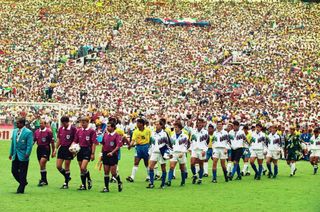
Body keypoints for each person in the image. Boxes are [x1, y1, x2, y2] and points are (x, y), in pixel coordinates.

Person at [9, 117, 34, 194]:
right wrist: (11, 153)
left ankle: (21, 189)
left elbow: (29, 145)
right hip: (15, 154)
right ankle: (23, 182)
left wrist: (27, 153)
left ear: (22, 124)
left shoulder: (28, 132)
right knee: (14, 171)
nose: (17, 124)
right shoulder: (14, 131)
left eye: (18, 123)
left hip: (23, 155)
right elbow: (13, 143)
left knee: (23, 172)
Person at [73, 117, 98, 190]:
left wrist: (93, 153)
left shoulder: (92, 131)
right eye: (81, 122)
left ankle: (89, 179)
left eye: (84, 122)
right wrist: (72, 148)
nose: (82, 124)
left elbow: (94, 143)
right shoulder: (78, 131)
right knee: (81, 169)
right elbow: (75, 141)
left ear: (88, 122)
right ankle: (83, 185)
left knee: (83, 167)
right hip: (80, 150)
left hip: (87, 150)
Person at [52, 116, 77, 189]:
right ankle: (67, 177)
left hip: (69, 149)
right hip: (62, 148)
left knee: (67, 166)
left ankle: (66, 183)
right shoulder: (60, 129)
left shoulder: (73, 129)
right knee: (58, 166)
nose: (63, 125)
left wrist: (72, 147)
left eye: (63, 123)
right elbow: (59, 139)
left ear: (67, 122)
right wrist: (55, 149)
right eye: (62, 123)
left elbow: (75, 139)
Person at [147, 120, 170, 189]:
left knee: (163, 168)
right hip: (154, 152)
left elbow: (168, 144)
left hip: (161, 152)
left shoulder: (164, 133)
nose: (156, 126)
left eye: (157, 124)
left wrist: (168, 153)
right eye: (155, 124)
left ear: (161, 125)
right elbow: (151, 143)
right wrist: (150, 152)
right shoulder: (153, 133)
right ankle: (151, 183)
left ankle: (162, 184)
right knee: (151, 167)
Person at [100, 122, 123, 192]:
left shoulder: (117, 135)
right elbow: (103, 144)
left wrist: (112, 152)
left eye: (109, 126)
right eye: (107, 126)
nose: (107, 127)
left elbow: (118, 146)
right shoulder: (105, 134)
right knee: (106, 172)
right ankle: (106, 188)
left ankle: (119, 182)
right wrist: (101, 154)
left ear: (113, 128)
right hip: (105, 154)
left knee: (113, 173)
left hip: (113, 155)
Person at [126, 118, 151, 183]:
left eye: (138, 123)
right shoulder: (135, 131)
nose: (137, 124)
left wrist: (150, 147)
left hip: (146, 147)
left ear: (142, 124)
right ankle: (132, 177)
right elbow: (133, 140)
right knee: (136, 162)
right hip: (138, 148)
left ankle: (148, 176)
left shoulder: (148, 131)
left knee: (146, 163)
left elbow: (151, 139)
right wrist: (130, 145)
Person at [166, 121, 189, 186]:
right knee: (171, 167)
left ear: (179, 128)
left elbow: (186, 145)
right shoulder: (172, 136)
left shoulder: (185, 136)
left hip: (181, 153)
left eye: (176, 127)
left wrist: (182, 152)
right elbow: (170, 145)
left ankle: (183, 181)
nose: (175, 128)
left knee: (182, 168)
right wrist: (169, 153)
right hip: (174, 153)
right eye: (174, 127)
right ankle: (169, 181)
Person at [34, 119, 55, 186]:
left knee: (42, 162)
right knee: (42, 165)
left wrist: (53, 151)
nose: (40, 124)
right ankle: (44, 180)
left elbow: (52, 142)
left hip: (46, 148)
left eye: (42, 123)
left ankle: (42, 180)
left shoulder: (49, 132)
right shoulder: (37, 131)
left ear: (45, 124)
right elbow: (34, 140)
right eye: (40, 123)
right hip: (39, 149)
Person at [190, 118, 209, 185]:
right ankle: (195, 175)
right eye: (199, 123)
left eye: (201, 123)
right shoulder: (193, 131)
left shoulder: (205, 132)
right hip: (194, 149)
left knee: (201, 165)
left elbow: (207, 142)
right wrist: (190, 148)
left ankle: (200, 179)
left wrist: (204, 150)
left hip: (201, 150)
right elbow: (191, 140)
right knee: (192, 163)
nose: (200, 124)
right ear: (197, 124)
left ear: (203, 124)